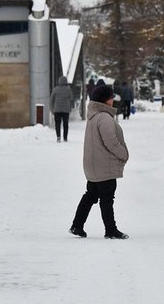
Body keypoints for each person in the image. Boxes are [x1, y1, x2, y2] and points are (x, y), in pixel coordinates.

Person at [69, 85, 130, 239]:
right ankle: (110, 230)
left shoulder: (94, 115)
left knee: (90, 195)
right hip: (104, 166)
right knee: (107, 198)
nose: (113, 100)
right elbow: (111, 142)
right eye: (111, 97)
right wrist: (124, 155)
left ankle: (77, 225)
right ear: (106, 100)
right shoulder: (104, 117)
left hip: (94, 165)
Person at [49, 75, 74, 143]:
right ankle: (65, 137)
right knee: (65, 124)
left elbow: (51, 100)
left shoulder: (55, 89)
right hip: (66, 110)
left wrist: (52, 109)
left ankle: (58, 137)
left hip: (57, 109)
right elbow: (71, 98)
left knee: (57, 123)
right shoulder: (68, 89)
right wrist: (70, 107)